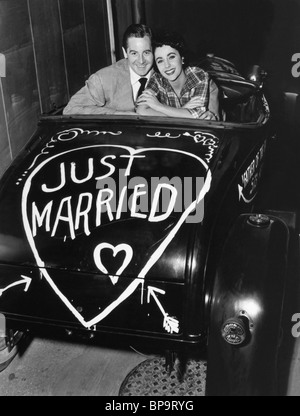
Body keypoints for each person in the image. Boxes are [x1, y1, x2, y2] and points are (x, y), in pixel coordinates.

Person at [63, 24, 154, 115]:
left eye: (146, 52)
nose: (141, 61)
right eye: (134, 53)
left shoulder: (164, 73)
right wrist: (116, 114)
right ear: (125, 53)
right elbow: (71, 109)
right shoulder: (104, 79)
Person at [136, 31, 219, 120]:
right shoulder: (156, 78)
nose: (167, 65)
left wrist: (158, 106)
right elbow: (141, 110)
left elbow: (197, 116)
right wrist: (182, 110)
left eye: (171, 57)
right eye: (160, 61)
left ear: (182, 58)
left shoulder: (199, 76)